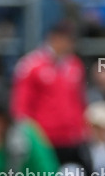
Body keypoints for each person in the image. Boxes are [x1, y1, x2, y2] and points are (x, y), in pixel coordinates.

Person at [11, 21, 86, 167]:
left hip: (71, 139)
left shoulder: (75, 65)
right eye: (67, 39)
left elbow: (79, 101)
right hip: (44, 140)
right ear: (54, 38)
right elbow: (21, 107)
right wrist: (30, 137)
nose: (71, 44)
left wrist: (81, 129)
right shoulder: (30, 65)